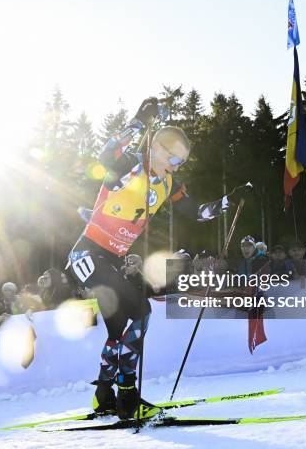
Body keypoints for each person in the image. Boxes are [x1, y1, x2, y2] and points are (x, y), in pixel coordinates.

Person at [66, 97, 247, 419]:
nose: (177, 166)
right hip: (87, 254)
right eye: (174, 158)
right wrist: (138, 121)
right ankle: (128, 398)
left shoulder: (168, 184)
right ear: (157, 148)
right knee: (140, 309)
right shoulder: (130, 164)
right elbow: (105, 156)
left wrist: (230, 200)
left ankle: (103, 396)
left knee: (117, 327)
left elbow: (196, 213)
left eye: (182, 162)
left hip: (111, 259)